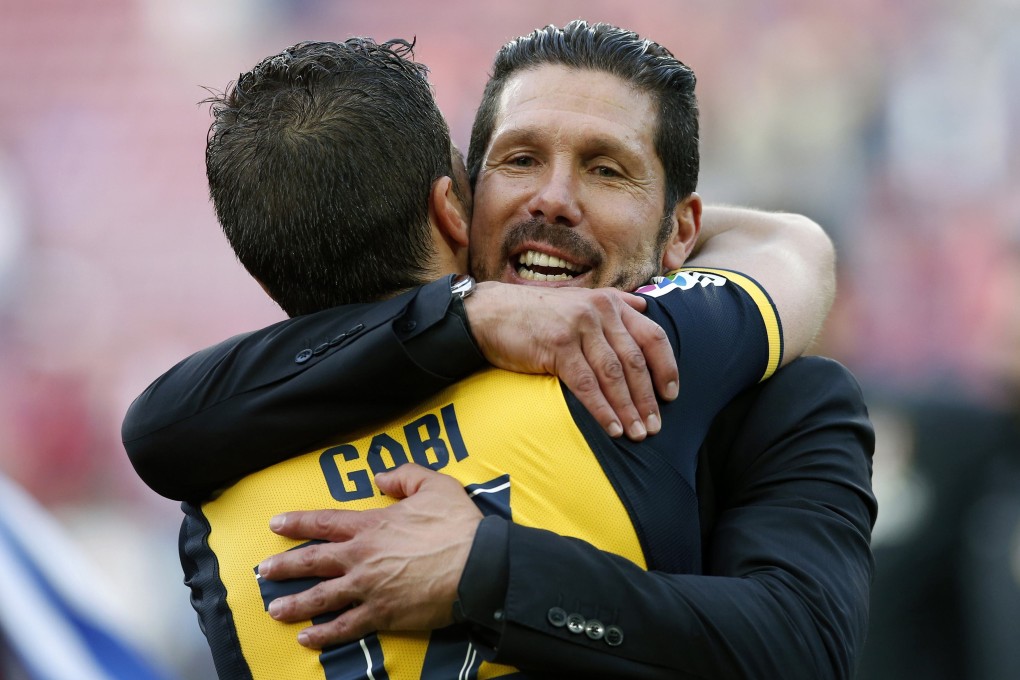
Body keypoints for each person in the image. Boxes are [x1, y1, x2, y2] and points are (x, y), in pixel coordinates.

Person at [123, 23, 874, 680]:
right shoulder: (235, 420)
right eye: (518, 160)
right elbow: (156, 422)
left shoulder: (772, 394)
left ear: (684, 231)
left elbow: (803, 647)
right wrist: (465, 312)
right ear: (459, 200)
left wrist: (487, 569)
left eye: (606, 169)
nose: (552, 198)